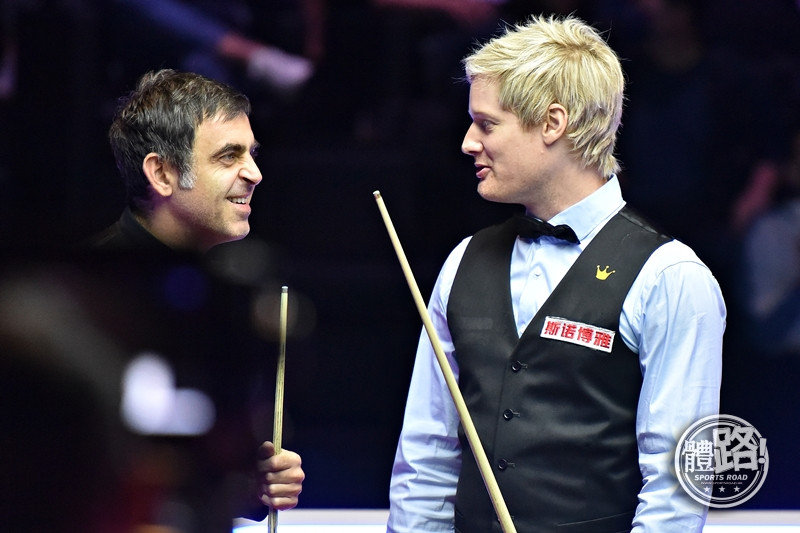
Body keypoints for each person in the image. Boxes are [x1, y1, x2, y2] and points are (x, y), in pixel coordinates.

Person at [387, 15, 725, 533]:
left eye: (486, 124)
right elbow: (427, 459)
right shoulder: (464, 261)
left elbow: (677, 488)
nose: (468, 142)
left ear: (552, 123)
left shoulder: (670, 277)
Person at [92, 68, 304, 515]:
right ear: (162, 173)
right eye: (229, 156)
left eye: (252, 153)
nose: (255, 173)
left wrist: (249, 481)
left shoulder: (222, 294)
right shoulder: (90, 292)